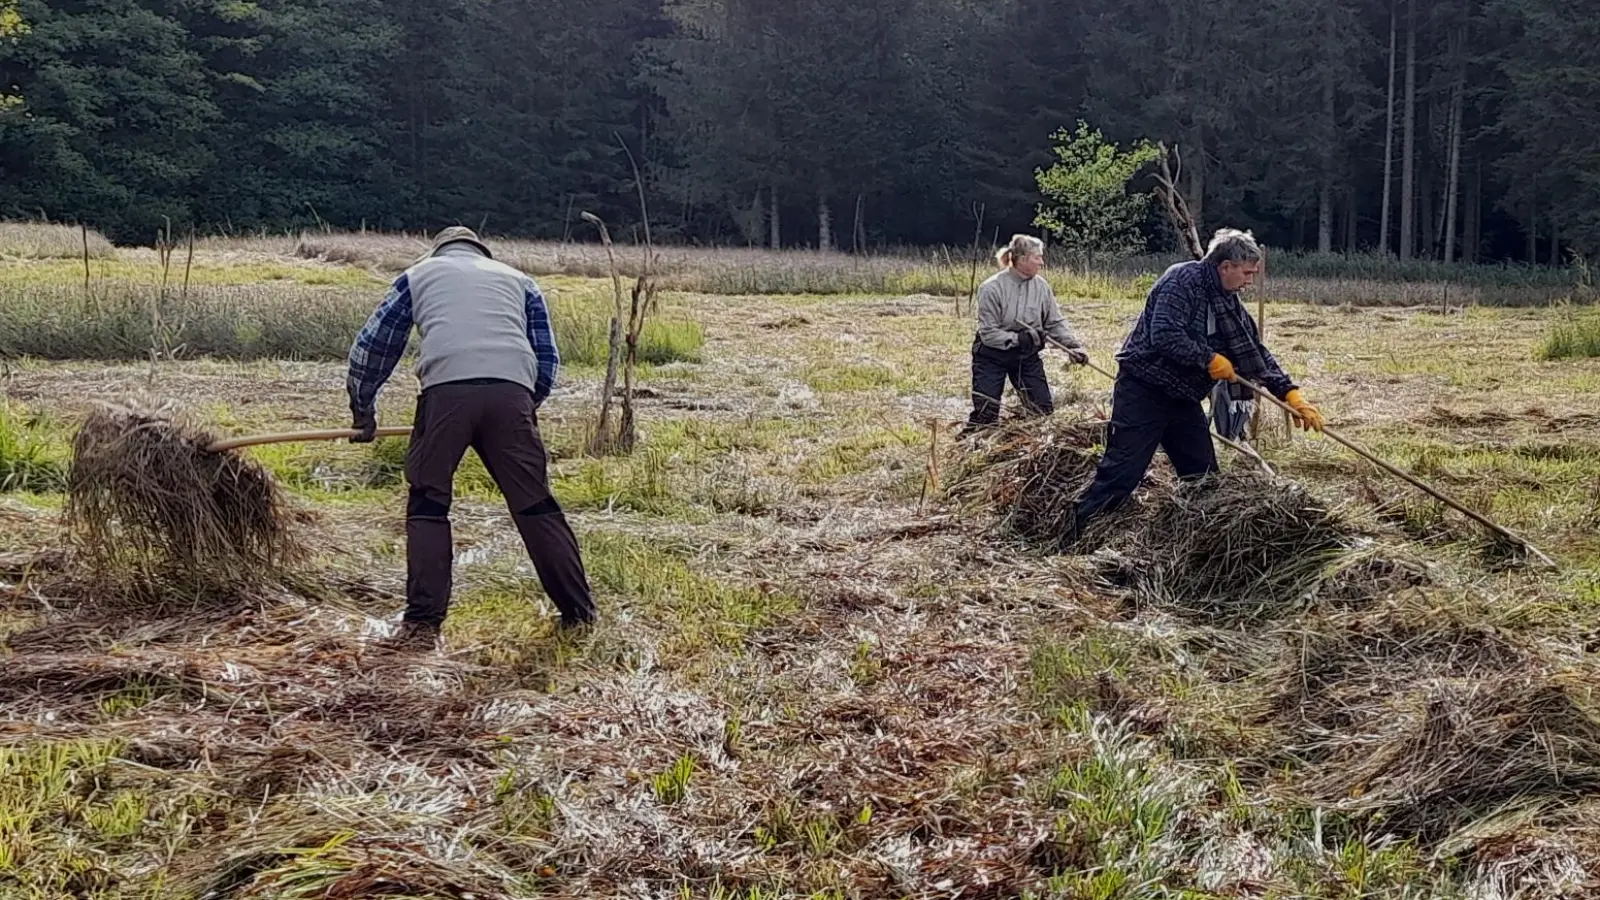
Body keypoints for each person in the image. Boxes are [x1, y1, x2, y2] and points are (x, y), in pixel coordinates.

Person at [345, 226, 597, 651]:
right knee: (536, 505)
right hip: (511, 397)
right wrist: (520, 407)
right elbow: (547, 359)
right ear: (483, 251)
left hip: (445, 396)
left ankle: (424, 622)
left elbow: (374, 348)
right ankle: (579, 611)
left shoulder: (419, 275)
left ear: (439, 249)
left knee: (429, 501)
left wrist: (362, 409)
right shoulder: (520, 281)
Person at [1069, 228, 1326, 534]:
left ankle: (1196, 543)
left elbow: (1255, 352)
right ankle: (1076, 535)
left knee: (1203, 477)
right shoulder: (1182, 281)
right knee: (1123, 473)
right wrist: (1209, 358)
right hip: (1144, 391)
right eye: (1246, 273)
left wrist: (1291, 395)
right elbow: (1163, 334)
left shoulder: (1227, 300)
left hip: (1184, 400)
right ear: (1225, 266)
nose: (1249, 281)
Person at [963, 234, 1089, 432]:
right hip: (991, 355)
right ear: (1022, 259)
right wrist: (1017, 338)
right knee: (986, 415)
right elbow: (988, 333)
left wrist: (1073, 347)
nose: (1042, 262)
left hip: (1026, 355)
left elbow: (1054, 322)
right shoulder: (991, 288)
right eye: (1037, 257)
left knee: (1042, 412)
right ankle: (970, 450)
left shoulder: (1042, 287)